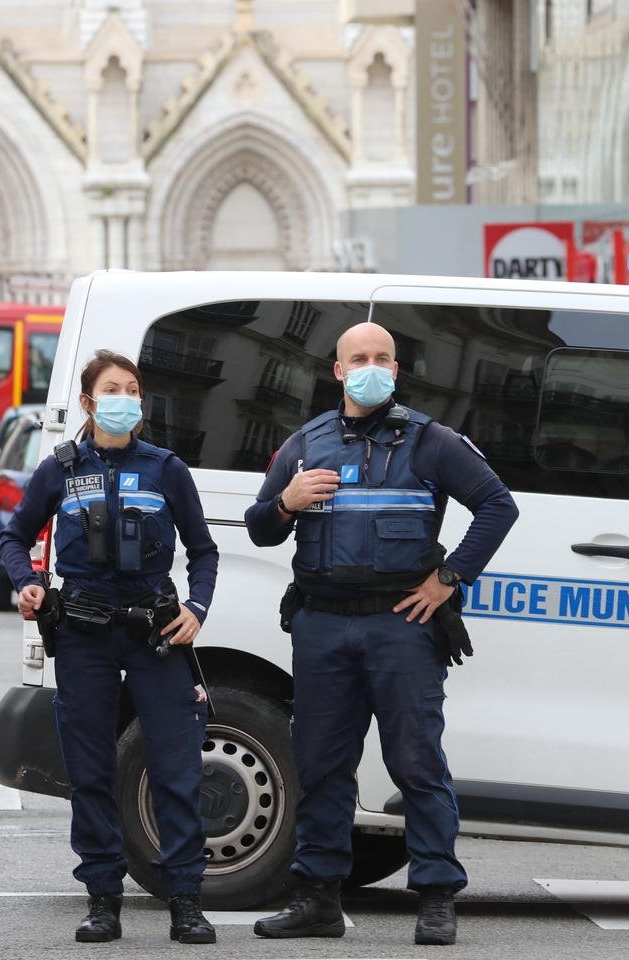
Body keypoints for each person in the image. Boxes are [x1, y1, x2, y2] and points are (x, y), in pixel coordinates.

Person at [244, 322, 519, 947]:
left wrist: (448, 579)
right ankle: (317, 898)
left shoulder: (430, 442)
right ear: (338, 371)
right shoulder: (303, 445)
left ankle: (436, 895)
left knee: (416, 761)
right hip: (322, 625)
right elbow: (261, 528)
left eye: (383, 358)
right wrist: (286, 500)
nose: (372, 367)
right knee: (321, 764)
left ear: (396, 369)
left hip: (401, 626)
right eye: (359, 358)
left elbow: (498, 506)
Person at [0, 350, 219, 946]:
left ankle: (185, 901)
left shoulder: (166, 468)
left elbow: (204, 550)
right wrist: (27, 581)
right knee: (90, 772)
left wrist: (196, 609)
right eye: (112, 389)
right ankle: (103, 899)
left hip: (155, 634)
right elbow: (15, 536)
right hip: (84, 636)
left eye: (133, 389)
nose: (125, 398)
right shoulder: (61, 469)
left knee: (176, 768)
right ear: (91, 403)